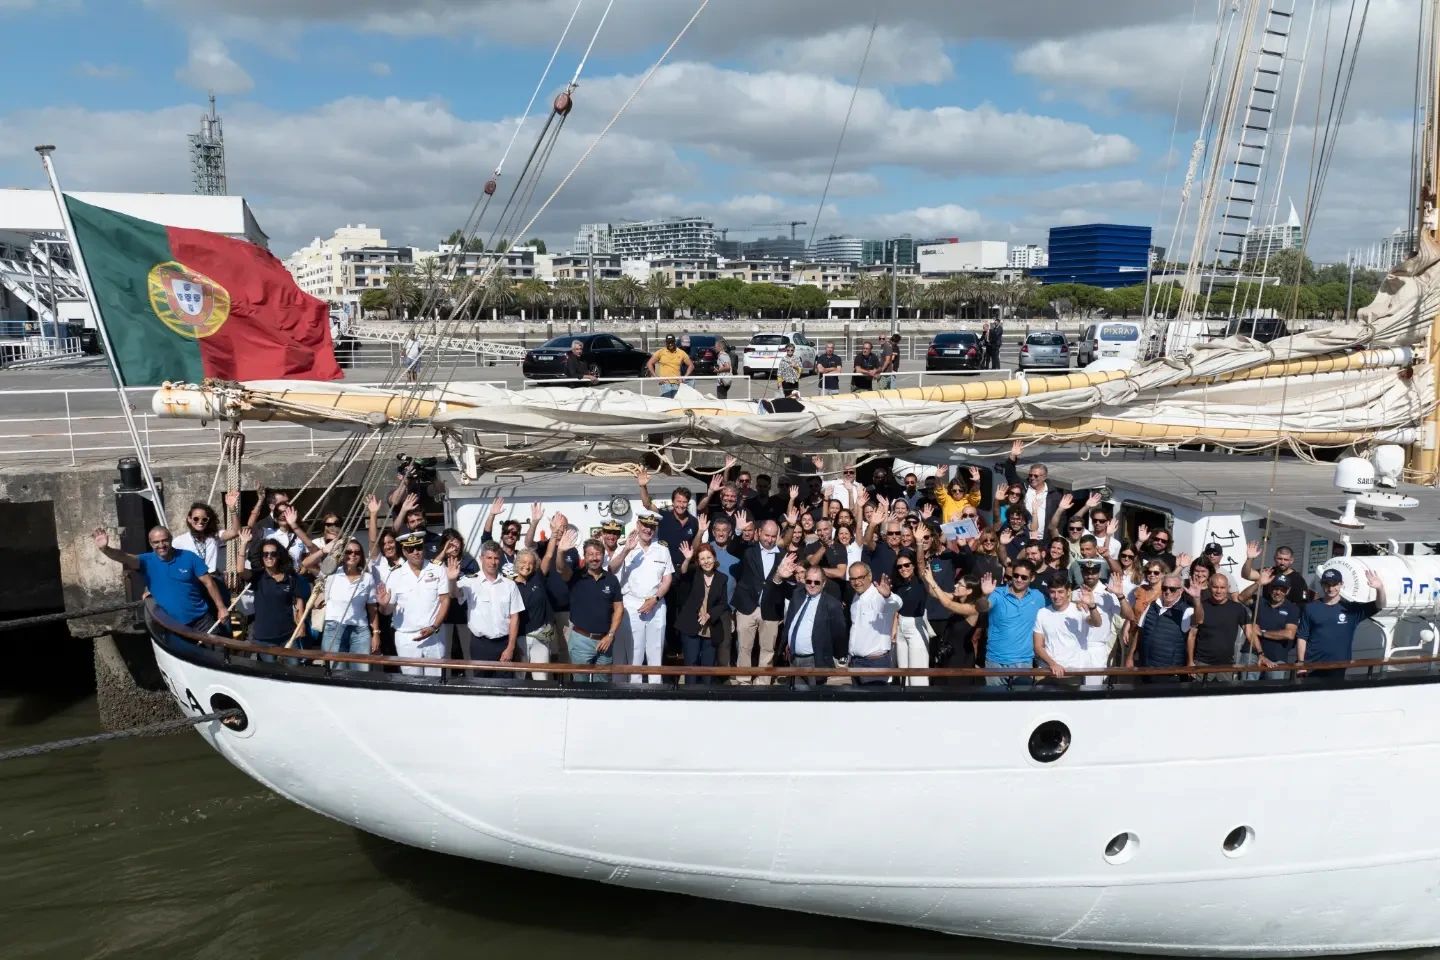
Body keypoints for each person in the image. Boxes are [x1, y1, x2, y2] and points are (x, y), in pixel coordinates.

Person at [93, 525, 224, 632]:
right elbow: (123, 556)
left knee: (220, 653)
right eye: (156, 542)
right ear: (150, 543)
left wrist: (221, 608)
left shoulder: (189, 557)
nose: (161, 545)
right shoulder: (145, 561)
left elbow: (209, 583)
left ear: (171, 539)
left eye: (164, 540)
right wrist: (106, 549)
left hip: (201, 620)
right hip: (171, 625)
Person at [375, 530, 451, 676]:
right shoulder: (395, 574)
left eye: (419, 547)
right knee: (411, 681)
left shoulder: (437, 569)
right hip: (406, 637)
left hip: (434, 635)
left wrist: (434, 626)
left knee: (436, 682)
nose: (416, 552)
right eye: (411, 549)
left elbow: (445, 599)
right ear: (404, 551)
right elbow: (388, 611)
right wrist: (384, 605)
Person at [610, 514, 674, 683]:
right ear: (638, 525)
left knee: (656, 649)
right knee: (634, 650)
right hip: (632, 603)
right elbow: (611, 569)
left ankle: (655, 688)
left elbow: (667, 579)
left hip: (656, 603)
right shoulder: (625, 545)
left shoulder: (662, 549)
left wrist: (656, 598)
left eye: (652, 527)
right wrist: (626, 551)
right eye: (645, 525)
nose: (648, 529)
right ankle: (634, 688)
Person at [449, 540, 523, 673]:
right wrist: (452, 580)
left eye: (496, 558)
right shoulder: (470, 581)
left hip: (504, 644)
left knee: (505, 686)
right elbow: (455, 594)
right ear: (481, 558)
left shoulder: (509, 584)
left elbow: (515, 617)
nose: (492, 562)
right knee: (482, 686)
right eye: (489, 557)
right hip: (480, 645)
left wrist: (511, 647)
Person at [1298, 568, 1383, 682]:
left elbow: (1379, 605)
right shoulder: (1311, 608)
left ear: (1341, 584)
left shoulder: (1351, 609)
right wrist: (1301, 663)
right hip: (1312, 666)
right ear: (1321, 584)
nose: (1331, 588)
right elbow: (1302, 637)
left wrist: (1380, 588)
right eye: (1327, 584)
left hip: (1339, 666)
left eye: (1335, 584)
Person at [979, 559, 1046, 687]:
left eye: (1024, 577)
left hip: (1024, 662)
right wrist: (984, 595)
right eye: (1015, 575)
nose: (1019, 579)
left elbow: (1052, 614)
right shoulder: (997, 593)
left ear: (1032, 578)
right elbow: (982, 608)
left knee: (1021, 705)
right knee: (994, 702)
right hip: (995, 662)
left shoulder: (1038, 597)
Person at [734, 520, 786, 684]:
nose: (769, 539)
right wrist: (738, 531)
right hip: (747, 606)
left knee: (768, 648)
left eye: (773, 536)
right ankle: (743, 680)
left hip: (770, 608)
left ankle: (763, 682)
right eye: (766, 535)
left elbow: (787, 584)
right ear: (759, 533)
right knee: (744, 647)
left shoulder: (783, 555)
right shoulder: (748, 550)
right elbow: (732, 548)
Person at [566, 538, 624, 681]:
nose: (594, 558)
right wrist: (561, 552)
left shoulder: (611, 579)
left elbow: (619, 609)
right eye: (590, 554)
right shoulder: (575, 577)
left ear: (603, 556)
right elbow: (561, 568)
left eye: (598, 554)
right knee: (580, 685)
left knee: (603, 685)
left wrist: (610, 636)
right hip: (581, 640)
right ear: (584, 557)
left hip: (605, 641)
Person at [240, 528, 306, 650]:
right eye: (265, 554)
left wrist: (301, 625)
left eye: (273, 554)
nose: (269, 557)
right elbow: (240, 571)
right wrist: (244, 544)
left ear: (279, 556)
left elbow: (298, 603)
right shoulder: (257, 576)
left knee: (293, 667)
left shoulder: (290, 577)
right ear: (262, 557)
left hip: (288, 636)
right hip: (263, 638)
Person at [319, 538, 379, 669]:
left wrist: (376, 633)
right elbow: (307, 564)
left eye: (357, 552)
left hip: (360, 630)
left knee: (361, 673)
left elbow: (372, 608)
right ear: (342, 554)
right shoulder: (331, 573)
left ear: (361, 556)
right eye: (348, 551)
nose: (353, 555)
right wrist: (323, 551)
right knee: (335, 672)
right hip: (334, 628)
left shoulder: (368, 578)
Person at [676, 541, 731, 683]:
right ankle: (690, 697)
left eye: (709, 557)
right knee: (692, 664)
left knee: (708, 667)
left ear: (714, 558)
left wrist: (709, 614)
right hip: (690, 625)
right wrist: (687, 559)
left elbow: (723, 604)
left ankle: (706, 697)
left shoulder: (722, 578)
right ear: (698, 562)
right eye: (702, 559)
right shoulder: (693, 573)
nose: (706, 562)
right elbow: (683, 572)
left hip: (710, 627)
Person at [1033, 580, 1104, 687]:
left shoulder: (1079, 609)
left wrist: (1092, 606)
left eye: (1060, 592)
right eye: (1053, 592)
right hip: (1048, 672)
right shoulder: (1042, 613)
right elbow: (1038, 646)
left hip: (1072, 674)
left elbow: (1097, 623)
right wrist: (1053, 664)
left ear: (1068, 592)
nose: (1056, 596)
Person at [1133, 574, 1202, 680]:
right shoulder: (1152, 606)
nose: (1167, 592)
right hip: (1146, 669)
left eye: (1172, 589)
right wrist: (1130, 657)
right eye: (1164, 588)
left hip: (1170, 673)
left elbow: (1199, 620)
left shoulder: (1186, 610)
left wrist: (1197, 599)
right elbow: (1140, 631)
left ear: (1181, 591)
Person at [846, 563, 900, 684]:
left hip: (875, 663)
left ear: (869, 576)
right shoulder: (856, 597)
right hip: (855, 662)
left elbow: (897, 604)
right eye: (853, 579)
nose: (856, 582)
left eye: (860, 577)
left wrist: (888, 596)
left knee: (875, 702)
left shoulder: (879, 595)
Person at [171, 492, 241, 586]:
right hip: (193, 581)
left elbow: (235, 532)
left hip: (213, 578)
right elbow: (169, 563)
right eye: (196, 518)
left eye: (204, 519)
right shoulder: (179, 541)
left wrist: (232, 509)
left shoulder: (214, 536)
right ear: (189, 519)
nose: (200, 522)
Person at [1188, 573, 1249, 676]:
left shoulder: (1238, 608)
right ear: (1209, 586)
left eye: (1222, 587)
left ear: (1228, 588)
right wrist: (1190, 662)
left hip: (1226, 665)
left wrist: (1261, 654)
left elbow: (1250, 633)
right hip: (1202, 663)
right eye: (1215, 587)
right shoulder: (1201, 607)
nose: (1219, 591)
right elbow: (1192, 635)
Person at [1246, 570, 1301, 680]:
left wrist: (1262, 633)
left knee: (1274, 692)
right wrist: (1259, 583)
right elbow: (1242, 597)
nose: (1278, 592)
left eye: (1283, 589)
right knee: (1248, 691)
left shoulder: (1292, 608)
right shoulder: (1260, 602)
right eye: (1276, 588)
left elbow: (1289, 634)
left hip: (1277, 658)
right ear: (1270, 588)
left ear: (1288, 591)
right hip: (1254, 655)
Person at [889, 549, 931, 685]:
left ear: (913, 565)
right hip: (901, 625)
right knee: (903, 674)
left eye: (907, 565)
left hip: (916, 625)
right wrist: (894, 629)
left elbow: (921, 564)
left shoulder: (920, 581)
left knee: (918, 674)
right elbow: (896, 609)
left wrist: (918, 543)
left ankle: (921, 703)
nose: (903, 568)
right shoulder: (898, 585)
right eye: (900, 566)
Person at [1241, 541, 1310, 605]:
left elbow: (1302, 603)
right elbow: (1246, 575)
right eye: (1279, 559)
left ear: (1291, 561)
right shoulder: (1268, 572)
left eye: (1286, 560)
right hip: (1266, 609)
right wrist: (1249, 558)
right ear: (1274, 558)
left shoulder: (1298, 579)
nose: (1282, 563)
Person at [646, 334, 693, 398]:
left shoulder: (681, 353)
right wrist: (657, 378)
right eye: (668, 342)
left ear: (674, 342)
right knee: (667, 404)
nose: (670, 344)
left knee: (676, 404)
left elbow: (691, 365)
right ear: (666, 343)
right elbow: (649, 363)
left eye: (672, 342)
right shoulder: (661, 352)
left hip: (677, 384)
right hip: (665, 384)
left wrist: (684, 378)